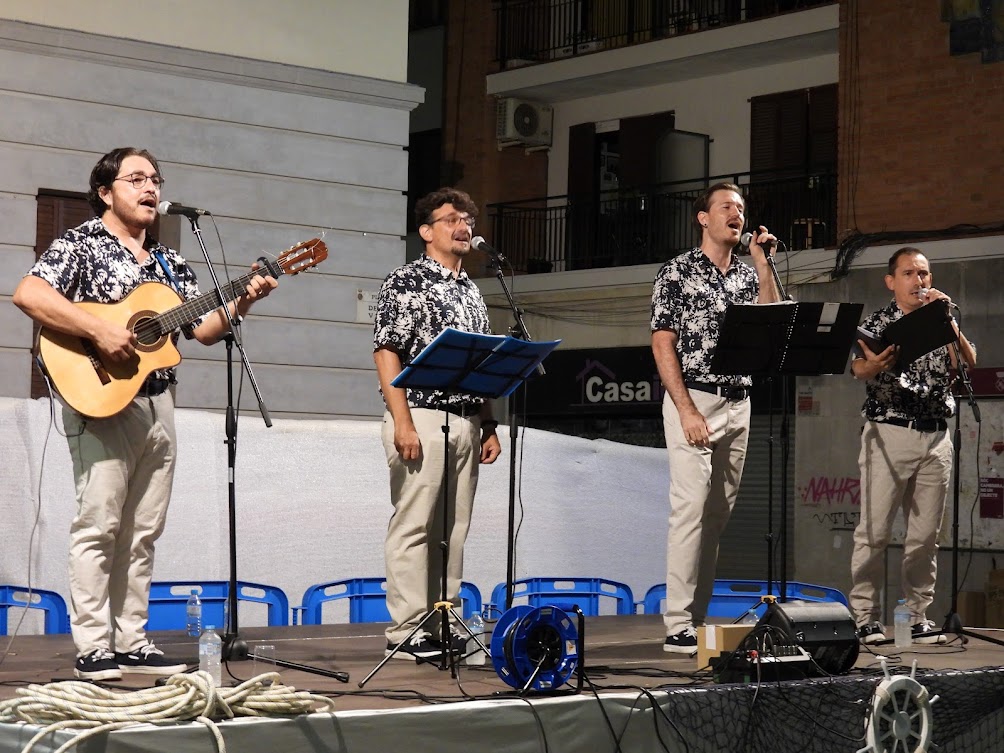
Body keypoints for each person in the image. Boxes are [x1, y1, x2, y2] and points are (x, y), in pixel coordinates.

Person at [13, 147, 277, 680]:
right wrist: (100, 330)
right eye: (136, 178)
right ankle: (92, 644)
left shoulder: (168, 261)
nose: (150, 187)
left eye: (154, 178)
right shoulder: (82, 244)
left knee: (142, 530)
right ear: (106, 192)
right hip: (100, 398)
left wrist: (245, 298)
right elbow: (28, 292)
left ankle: (131, 637)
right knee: (99, 524)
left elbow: (201, 330)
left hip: (160, 401)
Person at [650, 182, 780, 654]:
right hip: (696, 399)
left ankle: (697, 618)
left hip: (739, 401)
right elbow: (662, 342)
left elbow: (773, 327)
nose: (737, 213)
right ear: (704, 218)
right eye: (727, 206)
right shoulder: (678, 271)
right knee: (689, 511)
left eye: (742, 208)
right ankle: (677, 621)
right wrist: (685, 408)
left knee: (716, 516)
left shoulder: (747, 276)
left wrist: (763, 263)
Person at [372, 187, 501, 661]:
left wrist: (488, 423)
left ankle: (442, 621)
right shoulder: (405, 282)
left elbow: (481, 361)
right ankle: (407, 631)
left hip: (466, 418)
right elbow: (387, 350)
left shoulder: (470, 289)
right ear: (427, 232)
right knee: (415, 526)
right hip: (422, 415)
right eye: (451, 219)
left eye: (467, 218)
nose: (463, 226)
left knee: (454, 529)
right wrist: (402, 421)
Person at [849, 247, 976, 645]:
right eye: (909, 273)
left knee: (925, 536)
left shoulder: (941, 318)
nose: (919, 281)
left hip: (936, 435)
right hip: (889, 431)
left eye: (924, 273)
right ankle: (866, 618)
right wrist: (874, 366)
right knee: (875, 531)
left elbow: (968, 361)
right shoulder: (878, 321)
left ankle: (916, 617)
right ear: (892, 281)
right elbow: (858, 368)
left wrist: (949, 321)